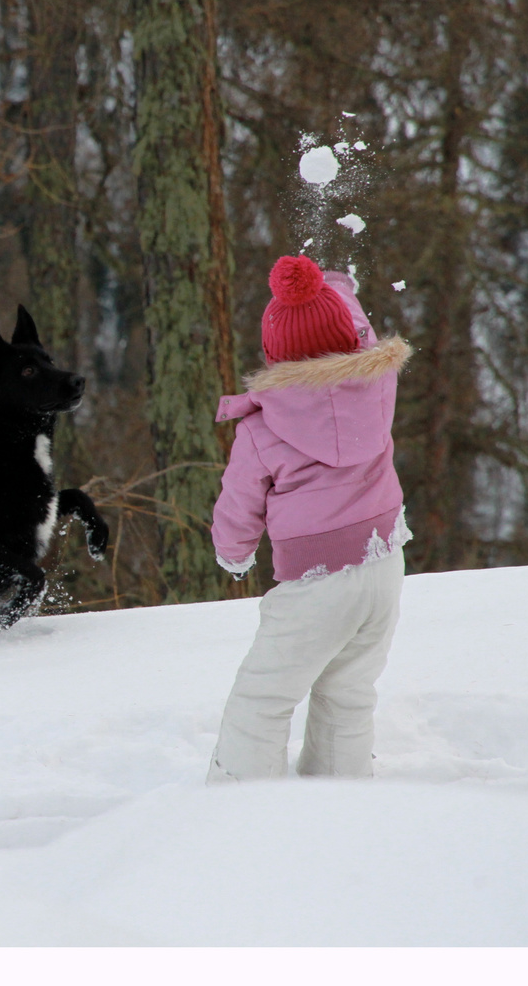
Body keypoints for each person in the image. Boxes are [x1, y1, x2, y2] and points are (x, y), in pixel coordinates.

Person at [207, 254, 412, 784]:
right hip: (384, 561)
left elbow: (238, 503)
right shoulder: (379, 387)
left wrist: (233, 553)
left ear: (275, 356)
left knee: (265, 695)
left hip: (316, 581)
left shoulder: (262, 428)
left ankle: (236, 807)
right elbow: (357, 326)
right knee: (348, 693)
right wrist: (334, 285)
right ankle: (340, 798)